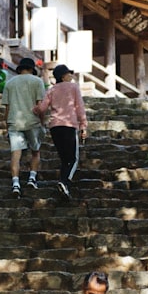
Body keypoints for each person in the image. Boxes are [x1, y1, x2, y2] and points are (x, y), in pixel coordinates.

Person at [32, 64, 87, 200]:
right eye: (69, 74)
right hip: (69, 125)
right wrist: (83, 125)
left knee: (64, 159)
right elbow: (79, 107)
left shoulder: (52, 89)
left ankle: (64, 188)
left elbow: (42, 108)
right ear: (63, 76)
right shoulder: (74, 87)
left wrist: (33, 109)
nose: (71, 76)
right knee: (73, 159)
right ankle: (64, 182)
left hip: (55, 127)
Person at [0, 56, 46, 197]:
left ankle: (15, 183)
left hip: (14, 121)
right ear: (32, 69)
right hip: (32, 121)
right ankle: (32, 178)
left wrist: (6, 123)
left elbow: (7, 107)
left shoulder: (10, 83)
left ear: (20, 69)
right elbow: (40, 106)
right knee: (35, 151)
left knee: (16, 154)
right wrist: (42, 122)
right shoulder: (38, 82)